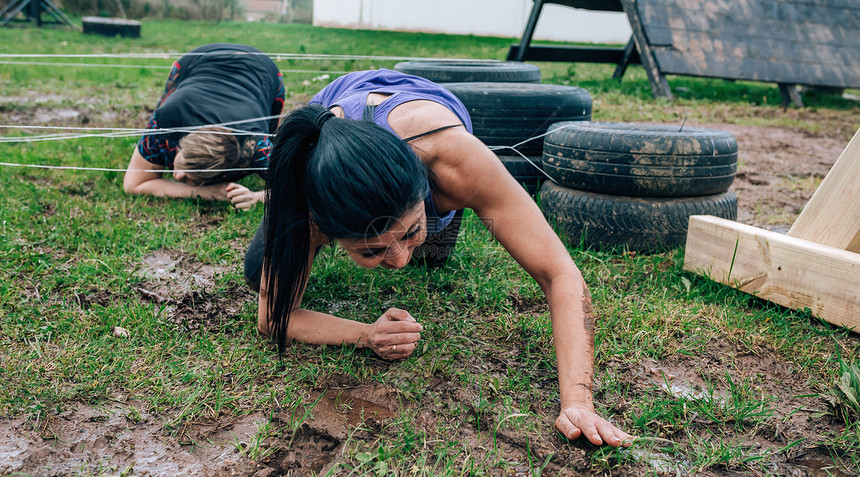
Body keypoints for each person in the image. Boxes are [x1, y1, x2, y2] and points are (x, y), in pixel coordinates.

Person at [246, 69, 632, 447]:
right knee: (256, 269)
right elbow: (272, 317)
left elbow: (558, 273)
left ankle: (401, 231)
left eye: (410, 231)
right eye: (371, 250)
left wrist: (578, 402)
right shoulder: (305, 204)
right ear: (327, 230)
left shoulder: (456, 163)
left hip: (427, 147)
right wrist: (365, 334)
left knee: (433, 255)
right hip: (328, 150)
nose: (398, 262)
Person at [123, 43, 285, 211]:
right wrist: (210, 191)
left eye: (191, 177)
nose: (175, 176)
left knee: (275, 143)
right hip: (199, 60)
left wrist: (255, 197)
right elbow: (133, 184)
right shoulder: (167, 119)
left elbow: (300, 187)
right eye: (179, 163)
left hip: (262, 70)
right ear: (180, 144)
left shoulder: (255, 144)